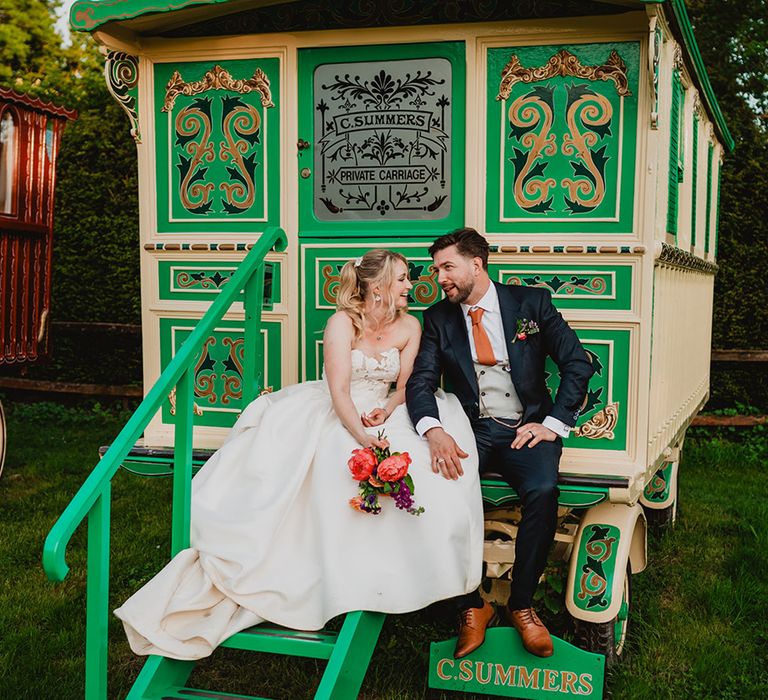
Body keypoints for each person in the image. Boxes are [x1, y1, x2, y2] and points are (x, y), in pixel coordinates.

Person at [115, 249, 484, 660]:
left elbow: (404, 386)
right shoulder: (341, 323)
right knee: (330, 459)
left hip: (387, 410)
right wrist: (363, 436)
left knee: (424, 471)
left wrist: (390, 409)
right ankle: (318, 571)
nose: (410, 286)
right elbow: (339, 391)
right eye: (401, 279)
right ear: (377, 286)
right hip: (342, 410)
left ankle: (396, 576)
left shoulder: (411, 325)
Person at [406, 228, 594, 659]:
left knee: (544, 492)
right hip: (472, 429)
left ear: (477, 264)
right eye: (437, 269)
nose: (440, 278)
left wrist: (552, 423)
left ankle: (523, 605)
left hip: (528, 426)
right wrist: (433, 429)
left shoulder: (532, 304)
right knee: (439, 490)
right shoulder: (437, 318)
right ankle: (472, 606)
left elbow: (576, 363)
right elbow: (420, 381)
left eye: (447, 267)